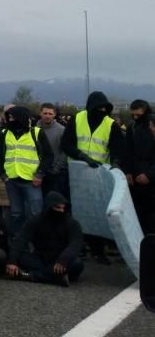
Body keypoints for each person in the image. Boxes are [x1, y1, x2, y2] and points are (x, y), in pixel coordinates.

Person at [61, 91, 123, 264]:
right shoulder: (78, 119)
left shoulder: (111, 124)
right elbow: (66, 143)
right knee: (75, 212)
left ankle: (98, 250)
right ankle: (78, 247)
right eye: (98, 108)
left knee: (96, 212)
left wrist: (116, 163)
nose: (101, 111)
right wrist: (82, 156)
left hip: (99, 174)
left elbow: (118, 148)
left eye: (105, 108)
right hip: (76, 172)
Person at [0, 106, 54, 238]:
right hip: (11, 180)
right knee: (16, 213)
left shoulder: (36, 133)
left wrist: (40, 174)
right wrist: (3, 175)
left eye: (12, 117)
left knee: (36, 212)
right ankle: (19, 241)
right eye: (9, 117)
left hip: (32, 180)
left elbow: (49, 155)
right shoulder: (4, 133)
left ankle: (37, 241)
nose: (10, 119)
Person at [6, 192, 84, 286]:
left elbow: (75, 244)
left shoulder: (72, 223)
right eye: (58, 208)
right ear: (49, 207)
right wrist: (12, 261)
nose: (61, 211)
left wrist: (63, 259)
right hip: (40, 258)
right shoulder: (35, 221)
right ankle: (56, 277)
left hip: (60, 260)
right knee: (19, 256)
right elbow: (21, 239)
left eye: (63, 208)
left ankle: (30, 275)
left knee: (77, 263)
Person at [124, 101, 155, 234]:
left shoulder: (152, 125)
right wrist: (128, 172)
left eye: (138, 114)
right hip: (136, 179)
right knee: (138, 214)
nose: (136, 117)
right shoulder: (132, 127)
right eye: (133, 115)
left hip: (151, 179)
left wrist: (150, 175)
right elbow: (128, 152)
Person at [37, 103, 68, 199]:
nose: (47, 116)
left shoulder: (62, 130)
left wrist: (56, 168)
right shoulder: (34, 130)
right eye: (45, 113)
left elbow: (65, 151)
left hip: (55, 173)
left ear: (54, 115)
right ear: (40, 113)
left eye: (50, 114)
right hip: (38, 173)